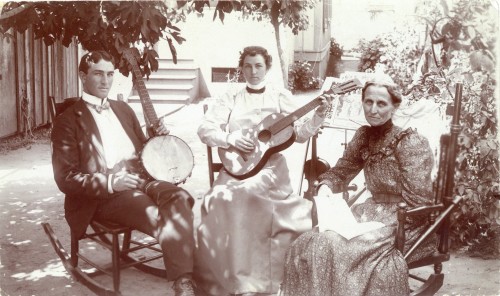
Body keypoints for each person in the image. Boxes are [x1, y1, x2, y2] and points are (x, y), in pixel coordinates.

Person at [51, 50, 198, 296]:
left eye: (110, 74)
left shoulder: (123, 109)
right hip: (104, 194)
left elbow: (143, 150)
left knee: (180, 198)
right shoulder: (68, 121)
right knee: (162, 217)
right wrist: (111, 182)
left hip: (141, 177)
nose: (105, 81)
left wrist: (155, 136)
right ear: (82, 76)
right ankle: (185, 281)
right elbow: (65, 178)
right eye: (98, 74)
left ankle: (186, 272)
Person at [194, 46, 334, 295]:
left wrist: (318, 115)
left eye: (258, 66)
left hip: (271, 170)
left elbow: (300, 134)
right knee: (217, 198)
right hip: (235, 168)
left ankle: (257, 280)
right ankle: (228, 278)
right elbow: (205, 130)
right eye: (247, 66)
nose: (253, 71)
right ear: (241, 68)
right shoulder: (231, 96)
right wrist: (230, 139)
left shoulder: (280, 95)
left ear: (267, 68)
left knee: (251, 198)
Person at [280, 76, 436, 296]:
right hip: (367, 214)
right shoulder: (364, 135)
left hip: (403, 220)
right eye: (368, 102)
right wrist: (327, 185)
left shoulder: (409, 141)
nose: (373, 110)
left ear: (395, 106)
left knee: (336, 245)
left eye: (381, 104)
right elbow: (342, 170)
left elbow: (420, 201)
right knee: (309, 242)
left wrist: (383, 224)